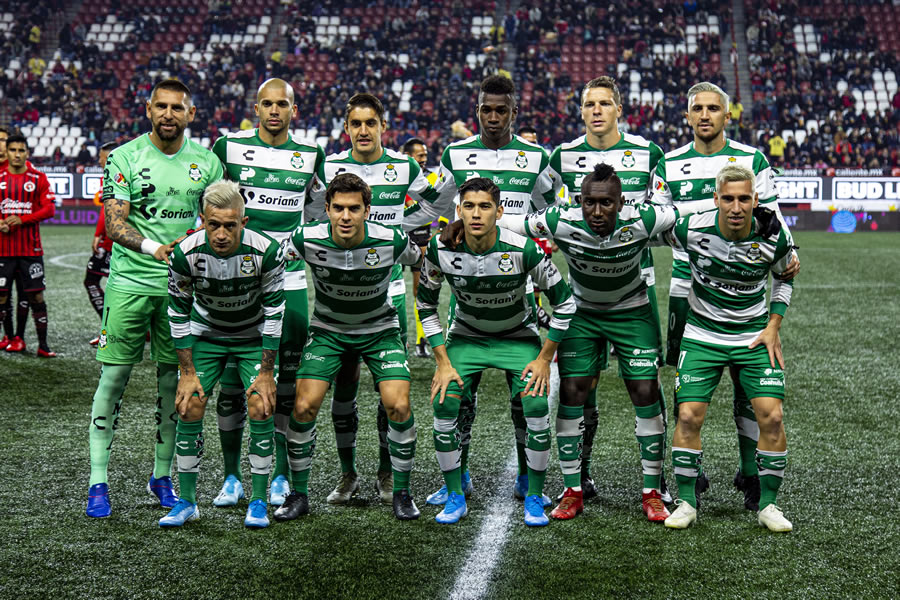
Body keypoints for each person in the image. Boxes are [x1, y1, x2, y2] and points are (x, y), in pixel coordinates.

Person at [494, 163, 693, 522]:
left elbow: (689, 210)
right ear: (578, 201)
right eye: (589, 203)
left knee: (646, 391)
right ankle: (572, 491)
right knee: (572, 391)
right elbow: (509, 223)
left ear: (621, 203)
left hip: (632, 312)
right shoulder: (559, 219)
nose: (597, 212)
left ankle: (652, 493)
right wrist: (459, 225)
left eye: (606, 204)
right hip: (582, 313)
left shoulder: (643, 219)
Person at [650, 81, 798, 511]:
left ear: (726, 115)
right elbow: (661, 220)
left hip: (744, 286)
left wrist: (791, 253)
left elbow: (771, 218)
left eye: (714, 108)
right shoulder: (670, 163)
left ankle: (751, 471)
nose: (705, 115)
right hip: (688, 284)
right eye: (698, 108)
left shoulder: (751, 159)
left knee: (745, 386)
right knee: (687, 385)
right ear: (687, 114)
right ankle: (690, 471)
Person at [85, 79, 223, 518]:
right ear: (148, 109)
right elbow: (114, 225)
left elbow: (218, 220)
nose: (168, 114)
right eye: (161, 106)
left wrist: (197, 241)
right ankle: (98, 482)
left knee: (172, 385)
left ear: (191, 114)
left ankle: (161, 476)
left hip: (181, 289)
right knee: (113, 380)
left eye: (176, 108)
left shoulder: (208, 162)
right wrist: (155, 249)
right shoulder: (125, 157)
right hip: (129, 285)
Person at [427, 74, 561, 506]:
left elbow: (554, 207)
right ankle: (459, 477)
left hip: (518, 280)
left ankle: (527, 476)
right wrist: (443, 227)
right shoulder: (455, 154)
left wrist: (543, 236)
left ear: (513, 112)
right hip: (467, 286)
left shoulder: (537, 157)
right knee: (460, 398)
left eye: (502, 110)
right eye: (487, 109)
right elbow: (432, 202)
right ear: (478, 109)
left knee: (524, 396)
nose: (493, 117)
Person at [306, 93, 444, 506]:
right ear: (346, 127)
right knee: (343, 387)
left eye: (371, 123)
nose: (363, 131)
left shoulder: (404, 166)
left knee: (390, 392)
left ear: (383, 125)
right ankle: (348, 475)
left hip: (387, 292)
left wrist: (397, 226)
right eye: (355, 124)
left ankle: (387, 472)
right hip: (338, 292)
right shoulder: (330, 165)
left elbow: (434, 203)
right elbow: (314, 210)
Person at [419, 177, 576, 526]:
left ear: (500, 211)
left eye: (485, 206)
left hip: (518, 337)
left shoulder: (525, 248)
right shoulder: (440, 248)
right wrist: (442, 362)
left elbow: (564, 303)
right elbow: (426, 305)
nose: (477, 214)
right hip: (466, 337)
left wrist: (544, 358)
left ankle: (532, 491)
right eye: (469, 206)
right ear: (458, 210)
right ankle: (455, 492)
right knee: (445, 401)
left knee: (535, 404)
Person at [547, 76, 670, 508]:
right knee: (580, 386)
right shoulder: (561, 155)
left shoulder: (647, 153)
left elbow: (665, 211)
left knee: (645, 382)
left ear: (620, 108)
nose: (596, 110)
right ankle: (578, 478)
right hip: (583, 283)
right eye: (588, 103)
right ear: (580, 111)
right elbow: (542, 207)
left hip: (636, 281)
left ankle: (659, 480)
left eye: (604, 103)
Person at [274, 173, 424, 521]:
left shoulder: (392, 240)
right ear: (325, 209)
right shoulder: (305, 238)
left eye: (354, 209)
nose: (345, 216)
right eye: (338, 208)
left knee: (398, 404)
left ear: (367, 210)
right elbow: (269, 262)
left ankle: (401, 491)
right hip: (329, 331)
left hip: (380, 330)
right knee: (304, 404)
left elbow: (424, 262)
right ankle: (298, 494)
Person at [210, 78, 324, 508]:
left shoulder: (310, 156)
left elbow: (315, 212)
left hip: (290, 280)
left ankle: (278, 473)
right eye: (267, 104)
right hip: (235, 281)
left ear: (294, 110)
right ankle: (232, 476)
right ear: (255, 107)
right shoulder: (228, 148)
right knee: (231, 383)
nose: (274, 111)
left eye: (283, 104)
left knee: (286, 382)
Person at [663, 165, 795, 533]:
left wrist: (773, 325)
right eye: (727, 198)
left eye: (743, 199)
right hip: (703, 335)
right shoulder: (690, 229)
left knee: (772, 417)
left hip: (753, 336)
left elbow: (785, 276)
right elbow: (646, 233)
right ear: (716, 200)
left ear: (755, 200)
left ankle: (768, 504)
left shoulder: (774, 235)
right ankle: (687, 501)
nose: (736, 207)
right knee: (688, 416)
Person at [160, 180, 285, 529]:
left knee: (261, 403)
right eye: (213, 224)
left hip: (251, 335)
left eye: (230, 225)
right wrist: (187, 372)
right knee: (189, 403)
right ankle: (187, 502)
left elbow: (276, 313)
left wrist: (265, 371)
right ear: (202, 219)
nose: (220, 233)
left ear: (243, 223)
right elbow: (178, 312)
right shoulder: (185, 253)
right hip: (208, 333)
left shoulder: (267, 251)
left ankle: (258, 501)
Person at [0, 134, 57, 358]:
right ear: (8, 151)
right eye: (12, 149)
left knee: (36, 298)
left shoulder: (38, 177)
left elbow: (50, 209)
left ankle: (43, 345)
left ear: (27, 153)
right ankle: (12, 338)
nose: (16, 154)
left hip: (30, 252)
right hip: (3, 251)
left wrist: (22, 219)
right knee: (2, 298)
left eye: (20, 150)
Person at [401, 136, 440, 360]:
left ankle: (421, 340)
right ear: (408, 156)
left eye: (425, 155)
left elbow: (438, 206)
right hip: (397, 238)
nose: (424, 159)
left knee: (420, 292)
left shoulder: (431, 179)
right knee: (388, 288)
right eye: (420, 155)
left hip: (422, 239)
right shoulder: (396, 177)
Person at [85, 141, 117, 346]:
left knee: (91, 281)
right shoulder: (126, 175)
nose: (99, 160)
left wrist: (100, 236)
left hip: (112, 242)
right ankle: (144, 330)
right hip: (118, 240)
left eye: (101, 157)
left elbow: (110, 210)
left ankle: (109, 330)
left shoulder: (113, 176)